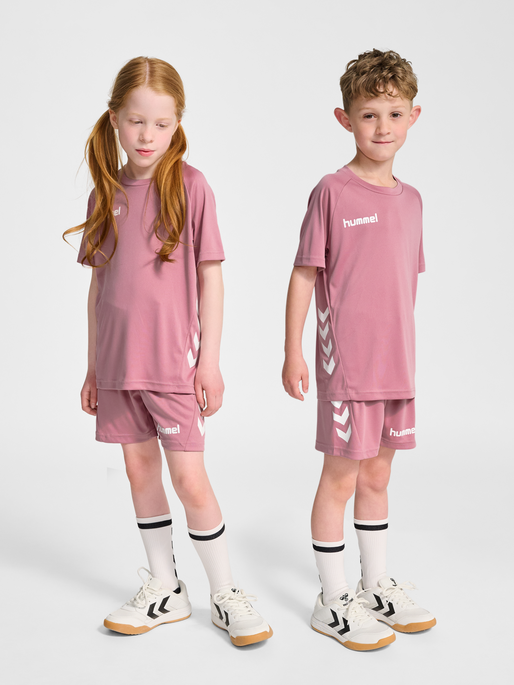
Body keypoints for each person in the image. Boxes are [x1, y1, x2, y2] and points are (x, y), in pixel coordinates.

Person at [64, 56, 272, 647]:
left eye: (161, 123)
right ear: (115, 119)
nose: (147, 135)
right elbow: (99, 287)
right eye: (136, 121)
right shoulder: (105, 194)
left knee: (189, 478)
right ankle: (165, 587)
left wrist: (209, 361)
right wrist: (93, 367)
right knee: (138, 471)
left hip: (172, 368)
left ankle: (225, 592)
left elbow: (211, 276)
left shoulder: (190, 186)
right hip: (117, 367)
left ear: (178, 123)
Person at [282, 49, 435, 651]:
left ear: (413, 116)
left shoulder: (413, 200)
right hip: (347, 369)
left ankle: (375, 585)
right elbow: (304, 275)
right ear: (345, 119)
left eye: (394, 114)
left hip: (398, 370)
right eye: (369, 115)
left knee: (379, 474)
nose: (382, 127)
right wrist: (294, 351)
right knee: (340, 477)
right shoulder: (332, 192)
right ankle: (332, 597)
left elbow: (401, 285)